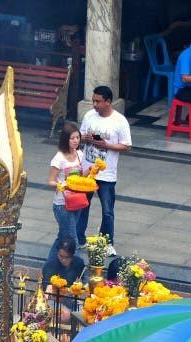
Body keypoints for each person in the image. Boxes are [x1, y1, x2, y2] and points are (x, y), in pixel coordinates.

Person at [77, 85, 132, 257]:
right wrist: (83, 138)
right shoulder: (89, 116)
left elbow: (126, 146)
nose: (94, 105)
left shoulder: (120, 121)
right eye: (93, 101)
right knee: (82, 206)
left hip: (106, 174)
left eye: (98, 101)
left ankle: (107, 241)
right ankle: (79, 238)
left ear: (108, 102)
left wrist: (106, 145)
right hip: (86, 171)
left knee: (107, 210)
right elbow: (79, 137)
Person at [47, 122, 84, 263]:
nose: (76, 141)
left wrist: (93, 170)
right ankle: (80, 273)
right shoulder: (59, 158)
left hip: (77, 202)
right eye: (72, 138)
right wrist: (60, 185)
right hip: (62, 205)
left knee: (62, 237)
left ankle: (49, 266)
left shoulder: (80, 154)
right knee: (73, 240)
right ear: (65, 139)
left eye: (77, 138)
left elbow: (82, 177)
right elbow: (51, 180)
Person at [41, 238, 86, 323]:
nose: (64, 260)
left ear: (72, 255)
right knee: (65, 314)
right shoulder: (51, 265)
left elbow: (81, 282)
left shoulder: (79, 263)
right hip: (53, 299)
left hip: (71, 298)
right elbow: (47, 291)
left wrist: (77, 288)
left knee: (86, 314)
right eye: (61, 256)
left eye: (67, 257)